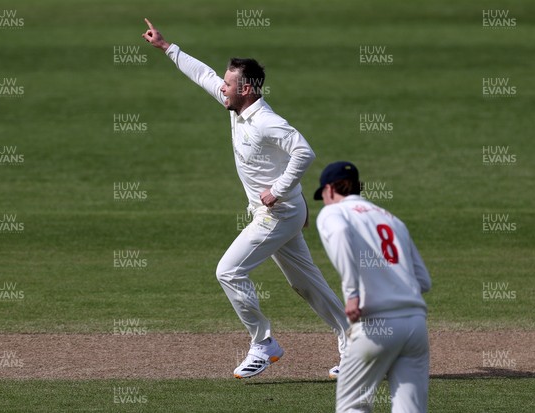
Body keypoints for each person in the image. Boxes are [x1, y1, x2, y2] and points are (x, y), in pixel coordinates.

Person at [142, 18, 348, 379]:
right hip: (280, 211)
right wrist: (166, 47)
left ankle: (263, 343)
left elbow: (304, 152)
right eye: (225, 82)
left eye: (230, 84)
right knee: (306, 283)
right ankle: (355, 342)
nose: (223, 88)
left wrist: (277, 190)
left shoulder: (266, 121)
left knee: (229, 271)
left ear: (248, 88)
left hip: (278, 213)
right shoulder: (235, 107)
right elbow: (203, 75)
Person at [314, 161, 431, 412]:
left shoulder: (333, 213)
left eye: (322, 195)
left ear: (330, 190)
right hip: (415, 325)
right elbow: (424, 281)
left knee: (353, 405)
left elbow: (341, 234)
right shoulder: (392, 220)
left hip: (376, 324)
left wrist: (352, 295)